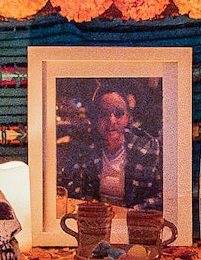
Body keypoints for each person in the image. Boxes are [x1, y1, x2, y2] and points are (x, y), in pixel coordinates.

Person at [58, 83, 163, 211]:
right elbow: (68, 188)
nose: (111, 120)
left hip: (135, 223)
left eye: (119, 113)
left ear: (128, 118)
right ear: (95, 119)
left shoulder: (150, 149)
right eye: (103, 113)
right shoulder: (83, 150)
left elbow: (162, 196)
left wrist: (132, 212)